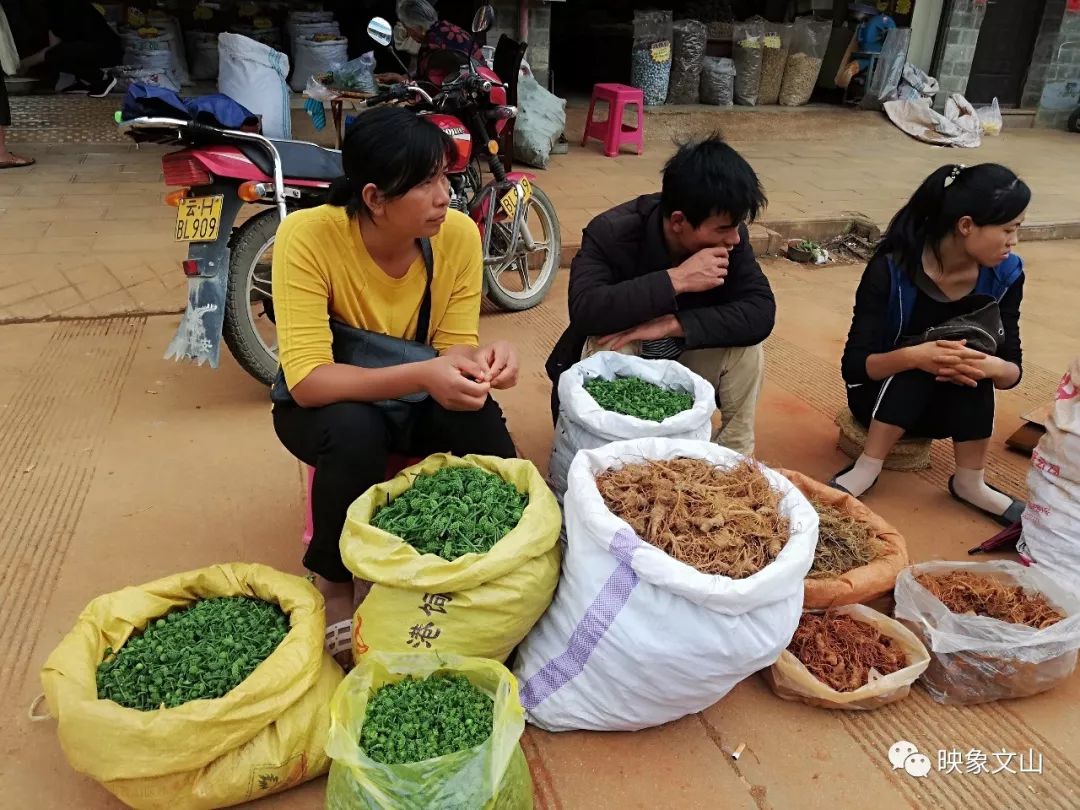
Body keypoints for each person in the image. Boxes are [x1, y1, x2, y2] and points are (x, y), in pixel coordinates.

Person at [271, 106, 519, 663]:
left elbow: (455, 344)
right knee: (355, 432)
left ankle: (505, 555)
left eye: (445, 178)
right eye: (426, 183)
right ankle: (334, 581)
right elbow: (308, 381)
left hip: (416, 391)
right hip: (330, 404)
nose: (444, 196)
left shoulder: (457, 237)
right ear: (375, 197)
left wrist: (486, 362)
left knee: (477, 415)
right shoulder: (306, 237)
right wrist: (424, 374)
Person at [545, 133, 775, 456]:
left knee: (747, 351)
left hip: (683, 352)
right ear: (679, 221)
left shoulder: (731, 239)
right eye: (724, 229)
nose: (735, 239)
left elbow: (761, 311)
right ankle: (615, 463)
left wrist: (674, 324)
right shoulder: (612, 232)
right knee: (609, 343)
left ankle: (731, 463)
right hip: (625, 358)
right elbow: (585, 309)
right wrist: (675, 280)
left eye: (737, 227)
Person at [831, 163, 1029, 526]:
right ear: (966, 225)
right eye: (1007, 229)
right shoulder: (892, 269)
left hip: (950, 406)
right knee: (928, 360)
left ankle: (970, 481)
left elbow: (1012, 368)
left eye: (1016, 230)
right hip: (877, 398)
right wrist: (914, 356)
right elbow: (856, 367)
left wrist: (990, 366)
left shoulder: (1006, 275)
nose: (1013, 241)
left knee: (964, 362)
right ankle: (868, 466)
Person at [15, 0, 120, 97]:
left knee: (59, 53)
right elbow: (53, 48)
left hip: (108, 51)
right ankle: (85, 82)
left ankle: (102, 79)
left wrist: (25, 63)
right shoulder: (51, 12)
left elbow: (55, 50)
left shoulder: (69, 5)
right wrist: (25, 63)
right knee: (56, 55)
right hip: (87, 50)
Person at [394, 0, 483, 86]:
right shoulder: (448, 28)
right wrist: (403, 77)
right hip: (482, 85)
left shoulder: (432, 46)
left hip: (466, 94)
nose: (409, 34)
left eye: (408, 29)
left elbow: (426, 88)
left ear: (419, 28)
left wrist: (402, 81)